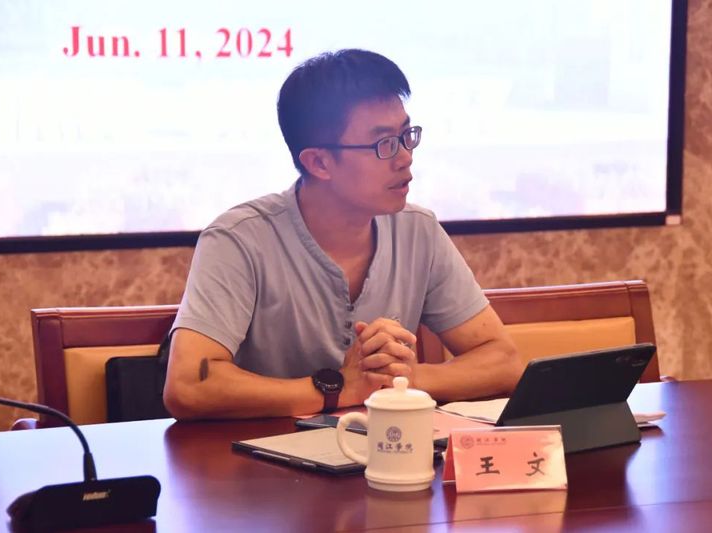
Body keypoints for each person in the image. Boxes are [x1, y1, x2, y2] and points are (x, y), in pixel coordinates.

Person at [163, 49, 521, 420]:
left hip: (385, 447)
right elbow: (188, 386)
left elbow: (504, 361)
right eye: (384, 144)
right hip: (257, 452)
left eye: (406, 136)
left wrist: (404, 379)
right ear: (318, 162)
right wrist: (339, 388)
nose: (405, 157)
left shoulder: (418, 231)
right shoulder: (239, 239)